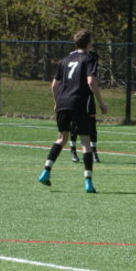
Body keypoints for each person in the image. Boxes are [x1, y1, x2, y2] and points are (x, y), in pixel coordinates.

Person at [38, 29, 108, 193]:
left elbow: (54, 85)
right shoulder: (90, 57)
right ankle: (88, 182)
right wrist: (101, 103)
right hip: (80, 102)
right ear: (89, 42)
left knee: (61, 138)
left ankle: (46, 171)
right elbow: (91, 81)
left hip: (63, 101)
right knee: (85, 141)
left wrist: (57, 102)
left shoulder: (65, 59)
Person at [70, 84, 100, 163]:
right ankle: (73, 150)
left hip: (89, 99)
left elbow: (93, 82)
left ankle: (94, 152)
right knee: (75, 127)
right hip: (76, 98)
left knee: (92, 127)